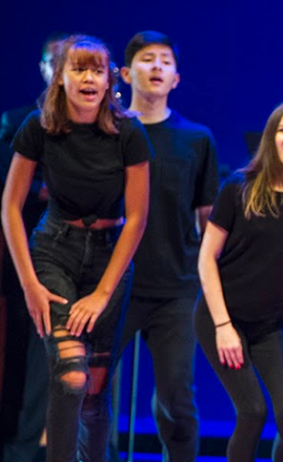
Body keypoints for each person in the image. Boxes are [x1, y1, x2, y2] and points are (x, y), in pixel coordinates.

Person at [2, 34, 151, 462]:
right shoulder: (40, 126)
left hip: (109, 257)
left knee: (94, 393)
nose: (89, 78)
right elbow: (10, 207)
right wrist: (29, 283)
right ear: (61, 77)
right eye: (79, 69)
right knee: (70, 379)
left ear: (109, 81)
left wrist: (103, 292)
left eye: (97, 70)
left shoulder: (128, 132)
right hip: (54, 250)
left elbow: (137, 218)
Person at [110, 31, 219, 461]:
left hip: (175, 286)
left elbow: (207, 216)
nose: (156, 66)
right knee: (91, 389)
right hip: (113, 282)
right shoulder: (109, 132)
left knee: (177, 399)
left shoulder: (196, 139)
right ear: (125, 72)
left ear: (175, 78)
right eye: (146, 58)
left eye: (165, 61)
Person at [196, 100, 283, 462]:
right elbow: (206, 259)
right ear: (271, 138)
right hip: (221, 318)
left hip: (269, 326)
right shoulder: (239, 187)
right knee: (252, 411)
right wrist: (223, 325)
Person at [0, 32, 64, 462]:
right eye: (55, 62)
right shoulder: (21, 120)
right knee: (22, 351)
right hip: (20, 253)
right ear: (43, 69)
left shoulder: (104, 128)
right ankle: (22, 441)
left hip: (73, 252)